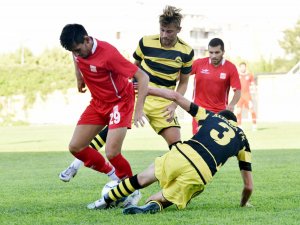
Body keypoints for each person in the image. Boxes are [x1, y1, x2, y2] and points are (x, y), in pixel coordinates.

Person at [59, 5, 194, 181]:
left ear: (178, 30)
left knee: (176, 144)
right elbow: (134, 68)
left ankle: (180, 180)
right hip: (137, 93)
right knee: (108, 134)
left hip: (163, 100)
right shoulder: (145, 42)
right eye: (162, 30)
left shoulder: (186, 51)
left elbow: (183, 82)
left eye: (169, 31)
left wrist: (174, 104)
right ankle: (76, 164)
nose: (164, 35)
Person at [87, 87, 253, 214]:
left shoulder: (211, 117)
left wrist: (148, 89)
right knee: (164, 198)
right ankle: (154, 203)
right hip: (202, 173)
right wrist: (244, 203)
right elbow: (248, 186)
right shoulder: (243, 140)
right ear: (235, 123)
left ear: (221, 117)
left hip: (182, 154)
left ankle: (103, 200)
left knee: (142, 179)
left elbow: (176, 96)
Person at [59, 24, 149, 184]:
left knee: (112, 152)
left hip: (120, 102)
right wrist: (78, 77)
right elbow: (76, 58)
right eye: (73, 51)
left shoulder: (108, 54)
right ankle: (114, 175)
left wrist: (139, 110)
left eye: (78, 50)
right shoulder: (78, 52)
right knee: (76, 147)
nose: (76, 54)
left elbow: (143, 77)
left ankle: (132, 191)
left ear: (87, 40)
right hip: (98, 102)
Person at [191, 38, 241, 134]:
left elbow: (238, 91)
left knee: (217, 144)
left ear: (223, 52)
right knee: (198, 143)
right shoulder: (199, 64)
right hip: (199, 111)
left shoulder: (230, 68)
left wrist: (232, 104)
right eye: (211, 52)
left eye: (217, 52)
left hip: (219, 113)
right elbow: (180, 76)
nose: (213, 56)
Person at [236, 62, 257, 130]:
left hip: (247, 95)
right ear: (240, 68)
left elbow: (253, 84)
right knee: (238, 111)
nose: (243, 68)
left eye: (244, 67)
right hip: (239, 95)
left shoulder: (249, 75)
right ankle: (239, 126)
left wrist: (255, 92)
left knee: (251, 110)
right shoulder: (236, 75)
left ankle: (254, 125)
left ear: (245, 67)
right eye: (241, 67)